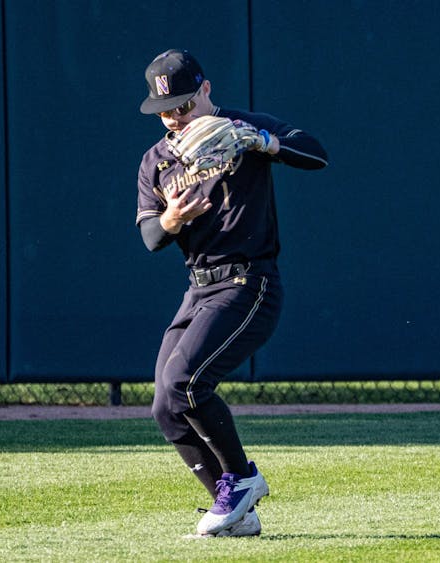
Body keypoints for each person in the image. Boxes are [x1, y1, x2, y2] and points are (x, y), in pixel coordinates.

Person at [135, 49, 328, 537]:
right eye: (164, 110)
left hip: (248, 282)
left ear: (205, 89)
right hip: (198, 289)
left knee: (185, 384)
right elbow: (152, 238)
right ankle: (238, 509)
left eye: (182, 104)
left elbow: (316, 154)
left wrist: (263, 142)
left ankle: (242, 481)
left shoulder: (242, 126)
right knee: (165, 404)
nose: (174, 117)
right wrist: (174, 218)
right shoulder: (156, 160)